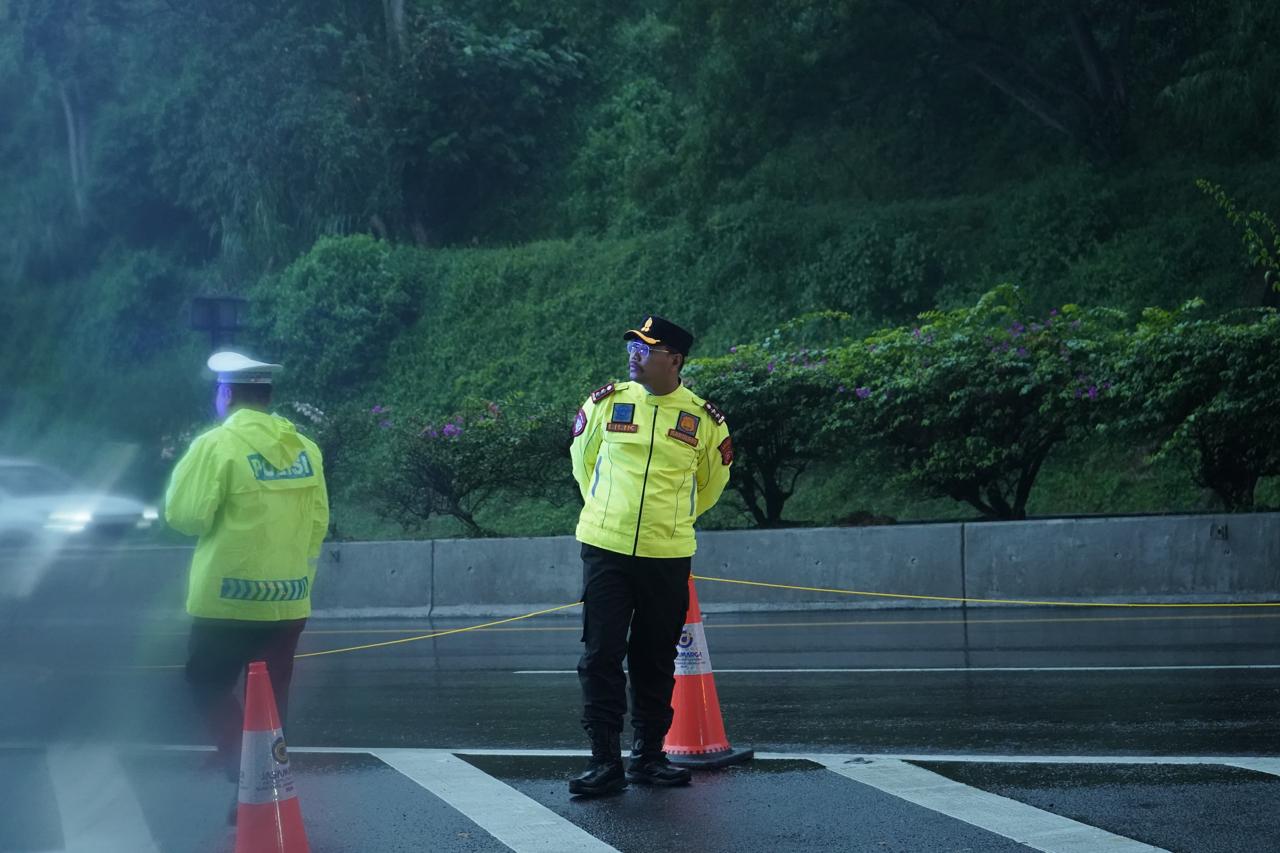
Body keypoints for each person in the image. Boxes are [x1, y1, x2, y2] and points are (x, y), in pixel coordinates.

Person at [568, 315, 734, 796]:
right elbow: (583, 462)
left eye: (646, 349)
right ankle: (603, 761)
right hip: (606, 546)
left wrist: (671, 522)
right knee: (600, 654)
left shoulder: (704, 420)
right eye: (632, 347)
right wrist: (607, 511)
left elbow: (710, 486)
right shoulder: (608, 403)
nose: (634, 355)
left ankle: (648, 756)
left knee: (656, 657)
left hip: (668, 553)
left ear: (675, 360)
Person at [165, 351, 329, 806]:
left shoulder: (216, 446)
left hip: (228, 598)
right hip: (290, 599)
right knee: (271, 698)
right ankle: (267, 777)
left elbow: (185, 516)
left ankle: (240, 765)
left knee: (207, 683)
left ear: (226, 394)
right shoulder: (306, 448)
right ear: (267, 395)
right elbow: (318, 523)